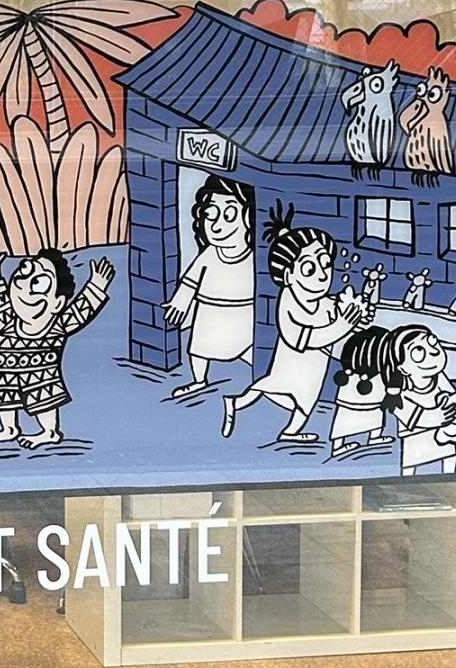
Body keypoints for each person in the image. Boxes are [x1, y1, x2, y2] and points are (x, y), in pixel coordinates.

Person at [222, 205, 370, 448]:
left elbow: (338, 325)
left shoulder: (325, 301)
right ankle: (235, 403)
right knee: (269, 385)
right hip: (292, 363)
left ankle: (290, 432)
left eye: (326, 264)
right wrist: (343, 325)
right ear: (289, 275)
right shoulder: (289, 303)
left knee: (305, 402)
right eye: (309, 269)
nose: (322, 275)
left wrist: (355, 319)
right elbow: (305, 339)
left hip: (314, 369)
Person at [0, 244, 113, 447]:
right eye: (24, 272)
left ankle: (49, 432)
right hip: (6, 374)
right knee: (4, 396)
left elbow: (80, 311)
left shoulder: (57, 326)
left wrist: (96, 287)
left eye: (39, 283)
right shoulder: (7, 322)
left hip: (41, 378)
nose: (25, 287)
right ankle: (8, 428)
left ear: (57, 303)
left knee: (44, 398)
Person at [163, 173, 255, 401]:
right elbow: (190, 281)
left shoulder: (253, 257)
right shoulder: (209, 255)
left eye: (229, 215)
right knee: (199, 349)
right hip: (209, 314)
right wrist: (181, 301)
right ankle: (199, 379)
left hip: (243, 316)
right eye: (211, 215)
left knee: (251, 350)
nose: (217, 225)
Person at [390, 321, 456, 475]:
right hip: (416, 437)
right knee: (410, 465)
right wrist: (436, 417)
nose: (433, 352)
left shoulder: (439, 377)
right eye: (418, 351)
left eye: (433, 343)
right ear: (403, 368)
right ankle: (406, 481)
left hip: (444, 431)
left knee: (449, 454)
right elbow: (409, 415)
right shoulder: (400, 392)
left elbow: (453, 397)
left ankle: (450, 477)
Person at [330, 325, 395, 459]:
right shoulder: (377, 369)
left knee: (372, 417)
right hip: (361, 399)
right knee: (347, 420)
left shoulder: (352, 370)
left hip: (358, 400)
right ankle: (339, 446)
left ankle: (342, 444)